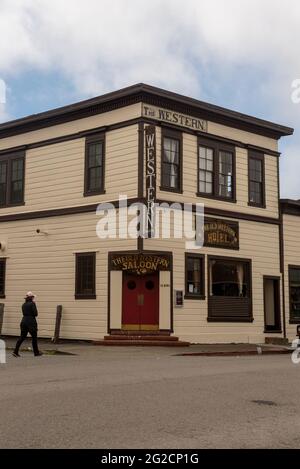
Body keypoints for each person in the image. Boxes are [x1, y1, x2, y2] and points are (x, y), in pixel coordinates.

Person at [13, 292, 42, 357]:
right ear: (31, 298)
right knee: (34, 338)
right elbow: (35, 313)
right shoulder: (32, 304)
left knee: (22, 337)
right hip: (31, 322)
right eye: (33, 297)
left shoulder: (23, 304)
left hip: (23, 321)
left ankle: (15, 351)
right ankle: (36, 352)